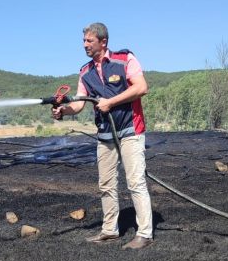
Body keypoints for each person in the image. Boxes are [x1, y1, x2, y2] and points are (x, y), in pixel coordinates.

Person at [52, 22, 153, 249]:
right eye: (84, 41)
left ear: (103, 42)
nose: (85, 45)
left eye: (89, 41)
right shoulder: (85, 72)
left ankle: (144, 234)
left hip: (129, 130)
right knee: (106, 184)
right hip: (105, 134)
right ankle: (110, 230)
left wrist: (111, 102)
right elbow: (79, 104)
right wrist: (63, 112)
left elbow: (141, 87)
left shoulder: (124, 60)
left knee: (135, 182)